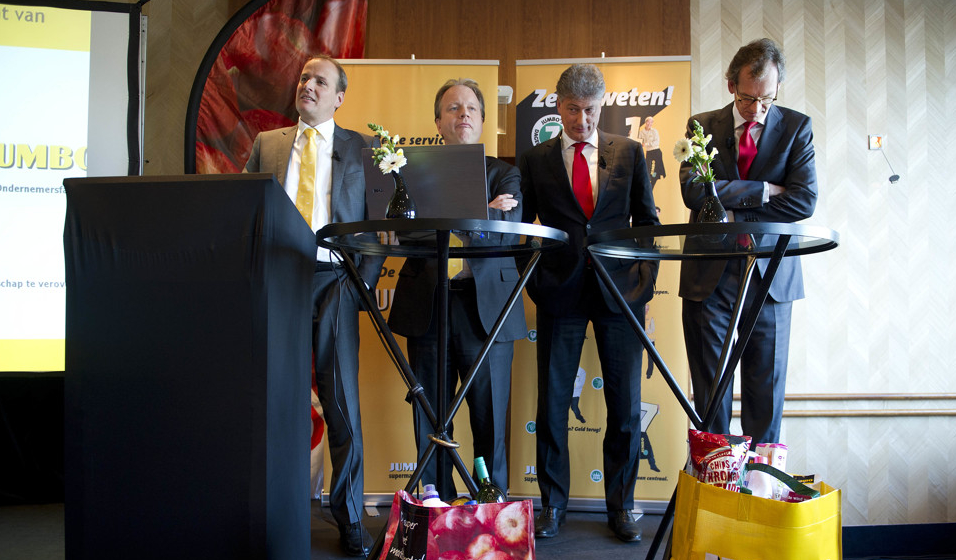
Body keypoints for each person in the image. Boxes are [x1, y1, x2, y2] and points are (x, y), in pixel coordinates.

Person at [244, 54, 383, 557]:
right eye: (304, 78)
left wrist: (359, 284)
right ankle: (271, 514)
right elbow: (244, 213)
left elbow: (375, 226)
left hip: (334, 281)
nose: (309, 86)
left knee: (341, 402)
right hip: (278, 283)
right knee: (273, 403)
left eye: (320, 81)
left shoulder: (361, 148)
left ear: (339, 97)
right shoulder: (268, 145)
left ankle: (348, 518)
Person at [519, 63, 660, 543]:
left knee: (625, 408)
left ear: (603, 106)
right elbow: (524, 230)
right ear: (558, 106)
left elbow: (648, 223)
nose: (583, 120)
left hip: (621, 296)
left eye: (592, 110)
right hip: (559, 293)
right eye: (574, 110)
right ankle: (552, 506)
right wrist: (532, 280)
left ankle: (621, 507)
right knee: (553, 405)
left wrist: (644, 285)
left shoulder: (630, 152)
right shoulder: (535, 159)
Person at [387, 79, 525, 499]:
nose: (463, 114)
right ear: (437, 121)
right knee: (430, 421)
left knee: (490, 420)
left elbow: (504, 238)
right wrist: (481, 213)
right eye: (453, 108)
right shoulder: (412, 173)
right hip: (429, 307)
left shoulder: (506, 173)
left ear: (483, 122)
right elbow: (407, 236)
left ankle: (491, 513)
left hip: (487, 312)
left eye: (471, 109)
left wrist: (443, 220)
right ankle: (435, 508)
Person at [679, 38, 817, 446]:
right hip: (710, 276)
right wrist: (764, 191)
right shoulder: (701, 126)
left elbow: (804, 200)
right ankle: (718, 494)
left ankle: (759, 494)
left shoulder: (797, 127)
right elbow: (693, 194)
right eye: (747, 98)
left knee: (765, 397)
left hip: (771, 277)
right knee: (711, 395)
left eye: (767, 100)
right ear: (730, 85)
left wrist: (729, 203)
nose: (756, 110)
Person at [637, 116, 665, 184]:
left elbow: (656, 142)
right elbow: (638, 140)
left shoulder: (654, 131)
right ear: (645, 122)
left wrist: (646, 144)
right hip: (649, 152)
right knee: (648, 169)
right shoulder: (641, 132)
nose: (649, 123)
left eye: (651, 122)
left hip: (656, 151)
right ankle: (650, 182)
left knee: (655, 171)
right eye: (648, 122)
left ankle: (653, 180)